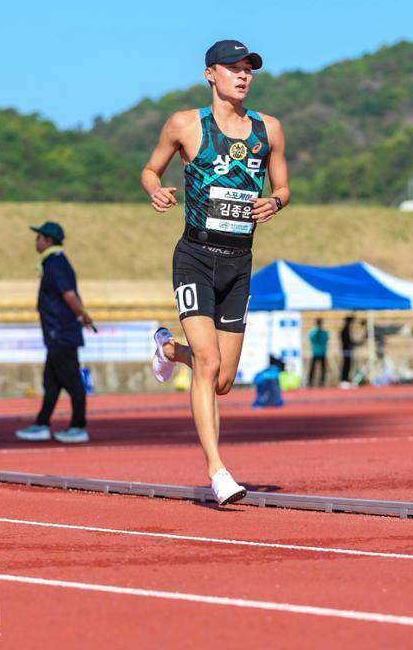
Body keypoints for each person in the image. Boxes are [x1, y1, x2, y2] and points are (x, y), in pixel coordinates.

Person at [141, 39, 290, 505]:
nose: (243, 76)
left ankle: (167, 348)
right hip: (195, 257)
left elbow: (283, 185)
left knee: (223, 380)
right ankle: (218, 472)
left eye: (249, 69)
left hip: (239, 263)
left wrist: (276, 201)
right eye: (233, 68)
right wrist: (157, 190)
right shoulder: (186, 125)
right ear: (211, 74)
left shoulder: (270, 129)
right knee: (207, 363)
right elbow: (150, 169)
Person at [15, 221, 95, 443]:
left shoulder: (55, 262)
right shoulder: (53, 261)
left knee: (72, 382)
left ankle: (79, 426)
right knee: (51, 383)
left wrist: (82, 315)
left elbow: (69, 295)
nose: (36, 241)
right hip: (57, 333)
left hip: (61, 333)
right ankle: (41, 424)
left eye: (38, 238)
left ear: (48, 240)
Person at [339, 315, 365, 386]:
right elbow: (347, 341)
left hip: (348, 350)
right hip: (346, 350)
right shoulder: (344, 330)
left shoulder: (347, 330)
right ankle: (344, 379)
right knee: (346, 364)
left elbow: (350, 341)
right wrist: (354, 344)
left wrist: (355, 343)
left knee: (349, 364)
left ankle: (346, 378)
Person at [307, 318, 329, 386]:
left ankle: (322, 381)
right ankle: (310, 381)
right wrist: (317, 332)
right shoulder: (313, 332)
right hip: (315, 353)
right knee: (312, 368)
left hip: (322, 352)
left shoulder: (324, 332)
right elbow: (311, 339)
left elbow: (326, 339)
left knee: (323, 369)